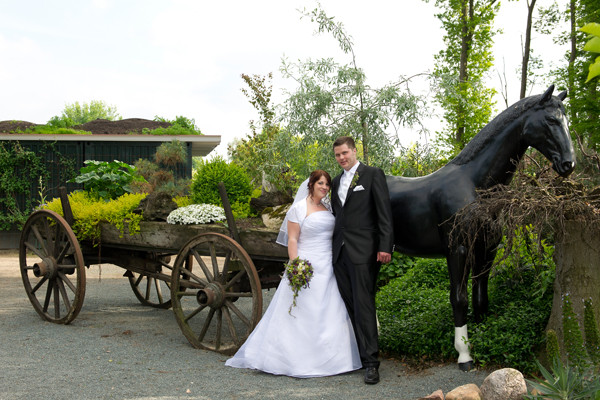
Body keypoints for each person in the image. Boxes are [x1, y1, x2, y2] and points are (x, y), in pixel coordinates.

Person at [225, 170, 361, 378]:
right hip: (307, 264)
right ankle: (293, 359)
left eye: (327, 185)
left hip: (328, 264)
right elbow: (293, 240)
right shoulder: (299, 209)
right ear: (311, 184)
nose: (324, 188)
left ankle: (334, 358)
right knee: (302, 310)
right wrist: (296, 265)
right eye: (320, 184)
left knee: (330, 309)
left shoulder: (328, 206)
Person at [330, 136, 394, 384]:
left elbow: (384, 213)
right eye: (337, 155)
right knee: (350, 305)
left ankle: (371, 363)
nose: (342, 158)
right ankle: (359, 355)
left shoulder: (372, 174)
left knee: (364, 304)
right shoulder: (336, 181)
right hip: (340, 253)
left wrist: (385, 246)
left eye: (345, 153)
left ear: (355, 151)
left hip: (365, 251)